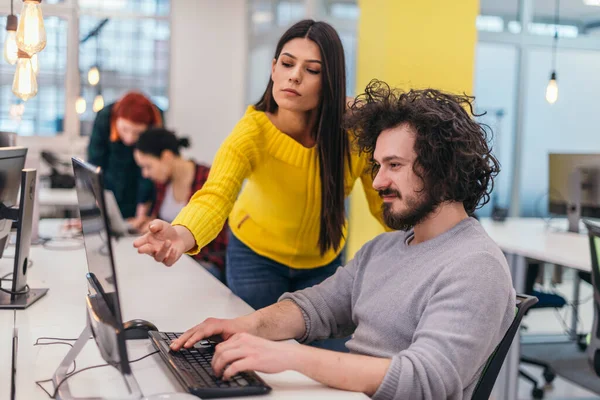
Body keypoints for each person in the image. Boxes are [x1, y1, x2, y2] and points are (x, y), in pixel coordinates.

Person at [166, 82, 516, 400]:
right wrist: (243, 326)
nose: (377, 182)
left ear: (443, 169)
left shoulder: (475, 266)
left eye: (393, 165)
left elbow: (424, 380)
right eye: (378, 165)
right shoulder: (385, 249)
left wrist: (291, 356)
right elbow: (316, 308)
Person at [133, 21, 387, 321]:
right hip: (255, 259)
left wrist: (432, 245)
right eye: (287, 63)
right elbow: (215, 196)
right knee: (259, 356)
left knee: (318, 360)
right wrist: (181, 233)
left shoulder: (354, 137)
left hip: (324, 264)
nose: (294, 75)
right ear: (273, 68)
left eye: (312, 70)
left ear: (330, 81)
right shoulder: (253, 131)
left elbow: (387, 204)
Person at [133, 128, 228, 282]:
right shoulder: (163, 183)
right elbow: (163, 220)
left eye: (148, 166)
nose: (145, 174)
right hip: (174, 260)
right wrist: (150, 225)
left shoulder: (208, 179)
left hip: (204, 263)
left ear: (167, 157)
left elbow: (214, 234)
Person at [87, 91, 163, 228]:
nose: (129, 139)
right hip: (110, 186)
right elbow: (95, 165)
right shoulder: (105, 117)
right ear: (116, 121)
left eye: (137, 133)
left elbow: (147, 175)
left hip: (138, 194)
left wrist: (140, 218)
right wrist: (96, 213)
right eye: (125, 129)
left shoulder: (156, 122)